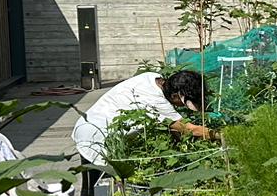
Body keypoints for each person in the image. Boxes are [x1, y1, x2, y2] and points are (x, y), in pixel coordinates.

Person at [71, 69, 216, 168]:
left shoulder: (153, 77)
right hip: (98, 135)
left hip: (90, 124)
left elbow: (172, 129)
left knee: (94, 188)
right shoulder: (157, 100)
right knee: (97, 189)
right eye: (183, 102)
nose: (183, 107)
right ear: (175, 96)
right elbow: (188, 129)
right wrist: (220, 135)